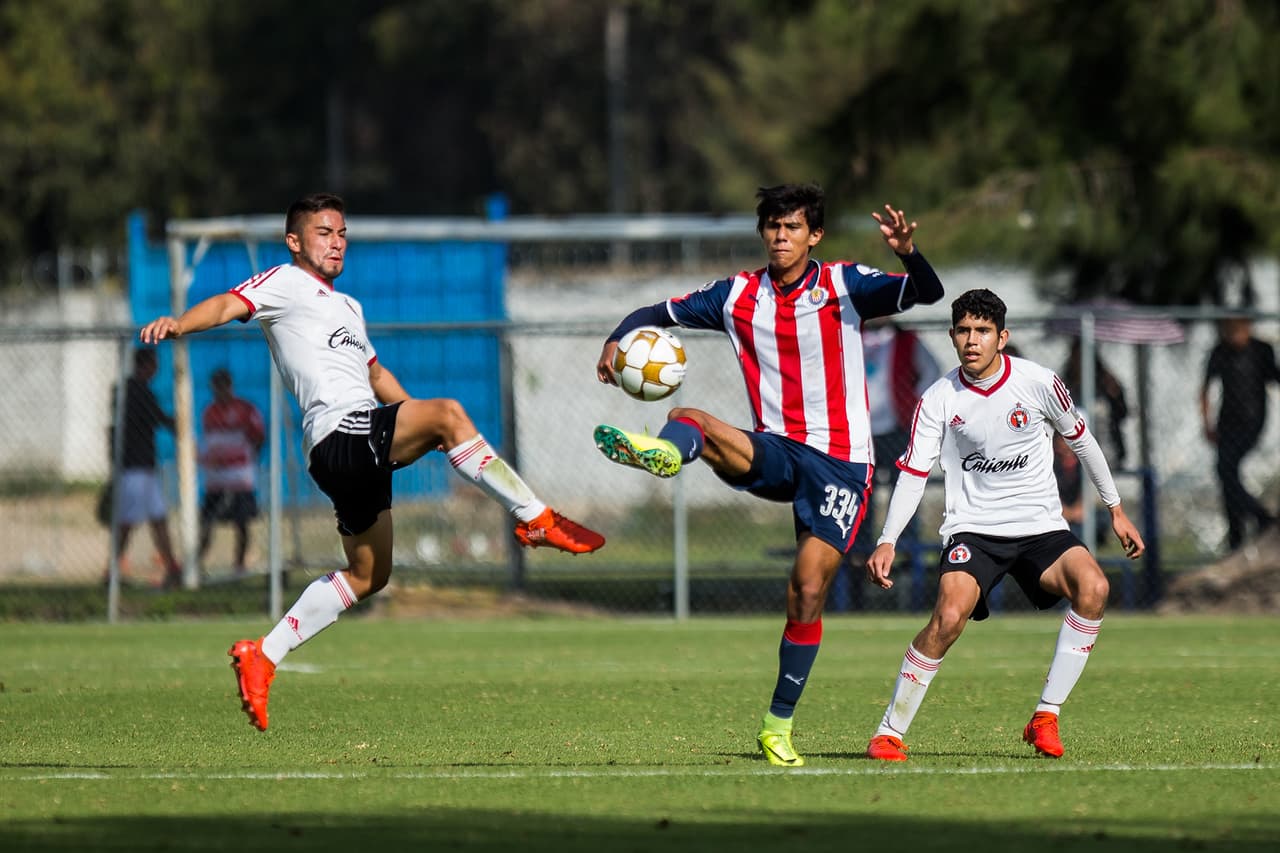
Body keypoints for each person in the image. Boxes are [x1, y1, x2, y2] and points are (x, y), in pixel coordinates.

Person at [139, 192, 604, 732]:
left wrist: (427, 430)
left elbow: (378, 379)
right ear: (295, 242)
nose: (336, 242)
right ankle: (537, 519)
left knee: (369, 574)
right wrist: (180, 322)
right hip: (339, 433)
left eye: (341, 233)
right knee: (451, 413)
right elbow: (226, 304)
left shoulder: (350, 308)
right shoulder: (285, 282)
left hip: (354, 442)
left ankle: (262, 655)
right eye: (323, 232)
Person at [592, 184, 945, 767]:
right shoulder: (736, 295)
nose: (781, 237)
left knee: (806, 592)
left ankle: (776, 726)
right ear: (763, 233)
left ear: (815, 235)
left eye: (792, 227)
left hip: (841, 466)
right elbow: (654, 313)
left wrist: (908, 251)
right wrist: (614, 340)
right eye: (773, 227)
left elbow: (927, 292)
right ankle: (666, 453)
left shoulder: (843, 284)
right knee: (688, 417)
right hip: (777, 449)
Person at [862, 289, 1145, 762]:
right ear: (952, 336)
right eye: (964, 331)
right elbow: (913, 471)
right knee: (949, 617)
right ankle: (889, 732)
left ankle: (1045, 717)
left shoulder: (1038, 382)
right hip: (973, 530)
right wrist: (887, 538)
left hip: (1040, 530)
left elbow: (1083, 442)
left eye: (983, 331)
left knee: (1093, 587)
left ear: (1002, 336)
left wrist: (1115, 508)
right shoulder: (937, 398)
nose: (972, 340)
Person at [834, 318, 942, 610]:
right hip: (858, 432)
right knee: (857, 500)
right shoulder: (847, 336)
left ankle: (906, 559)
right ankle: (857, 561)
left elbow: (931, 372)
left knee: (904, 493)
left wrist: (916, 406)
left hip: (896, 427)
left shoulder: (906, 339)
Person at [1200, 315, 1280, 551]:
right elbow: (1205, 389)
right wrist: (1207, 424)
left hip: (1253, 420)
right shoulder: (1220, 352)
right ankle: (1239, 533)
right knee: (1226, 474)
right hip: (1227, 422)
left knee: (1226, 470)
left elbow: (1275, 377)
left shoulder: (1261, 351)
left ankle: (1261, 516)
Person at [108, 347, 183, 589]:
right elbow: (159, 418)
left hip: (144, 467)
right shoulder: (136, 391)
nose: (157, 369)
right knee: (127, 522)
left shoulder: (128, 390)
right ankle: (111, 570)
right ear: (147, 365)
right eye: (154, 364)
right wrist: (178, 422)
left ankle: (172, 567)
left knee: (158, 518)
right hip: (134, 467)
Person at [197, 368, 266, 577]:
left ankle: (239, 565)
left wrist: (247, 458)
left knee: (242, 522)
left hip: (239, 477)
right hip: (216, 479)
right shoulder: (210, 412)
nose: (219, 392)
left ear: (229, 386)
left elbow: (259, 437)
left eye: (222, 386)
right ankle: (197, 565)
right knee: (207, 522)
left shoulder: (246, 409)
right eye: (215, 388)